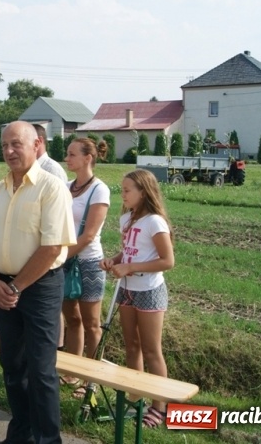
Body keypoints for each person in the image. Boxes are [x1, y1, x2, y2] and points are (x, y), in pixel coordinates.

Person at [0, 121, 76, 444]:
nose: (9, 151)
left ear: (36, 145)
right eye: (5, 145)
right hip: (4, 286)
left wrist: (16, 287)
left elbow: (52, 248)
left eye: (16, 144)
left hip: (39, 289)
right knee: (12, 365)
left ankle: (48, 439)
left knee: (41, 370)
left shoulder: (52, 187)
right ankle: (21, 433)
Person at [100, 169, 174, 429]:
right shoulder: (126, 219)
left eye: (127, 190)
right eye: (122, 189)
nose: (123, 194)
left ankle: (159, 407)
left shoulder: (155, 222)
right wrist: (114, 261)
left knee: (151, 349)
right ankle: (135, 399)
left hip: (149, 291)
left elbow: (167, 261)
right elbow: (129, 252)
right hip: (127, 288)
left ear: (143, 192)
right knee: (131, 346)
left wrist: (130, 268)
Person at [59, 138, 110, 395]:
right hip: (66, 260)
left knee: (92, 323)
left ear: (88, 158)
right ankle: (72, 372)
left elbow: (89, 235)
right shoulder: (67, 187)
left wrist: (61, 257)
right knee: (72, 319)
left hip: (89, 263)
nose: (67, 159)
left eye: (72, 154)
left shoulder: (99, 190)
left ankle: (92, 379)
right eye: (67, 154)